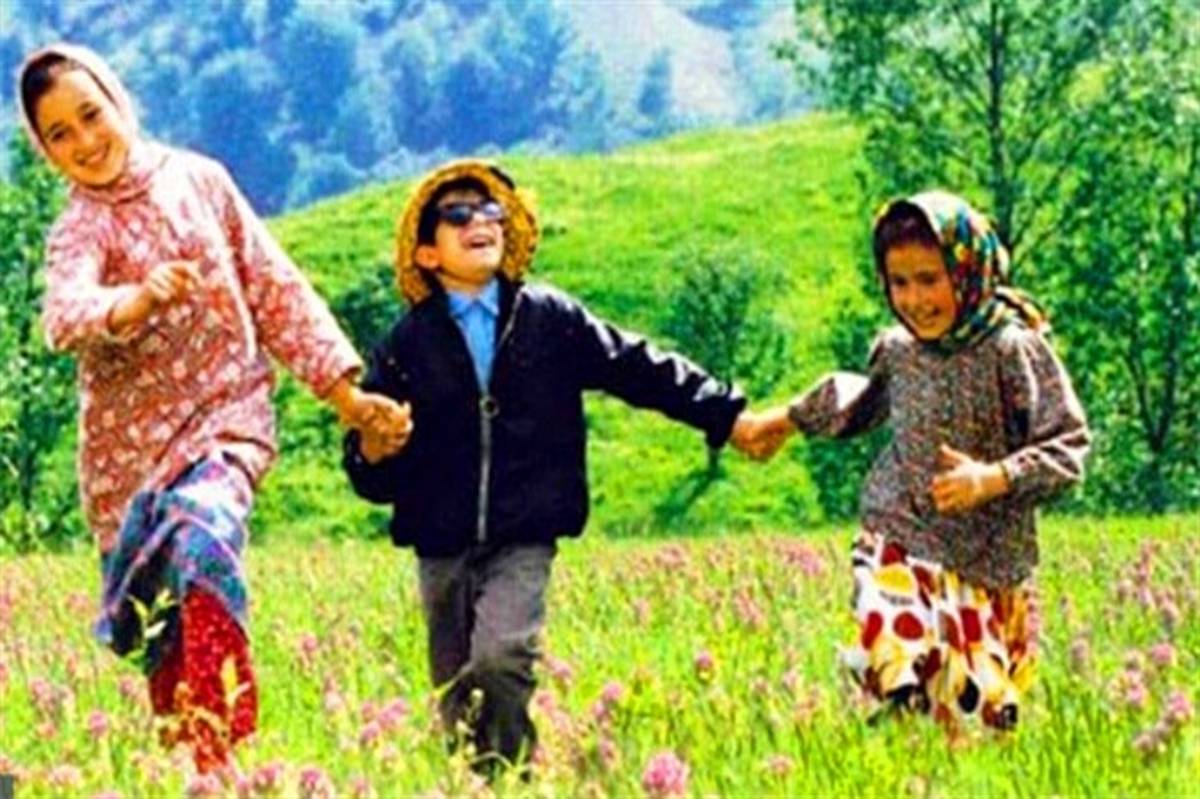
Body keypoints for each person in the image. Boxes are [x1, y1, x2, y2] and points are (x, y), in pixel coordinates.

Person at [16, 43, 407, 773]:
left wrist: (347, 396)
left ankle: (227, 731)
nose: (85, 142)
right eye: (60, 134)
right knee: (162, 641)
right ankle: (199, 776)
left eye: (92, 115)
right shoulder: (80, 226)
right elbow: (64, 315)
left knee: (204, 538)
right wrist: (133, 300)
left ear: (119, 102)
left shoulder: (201, 180)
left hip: (226, 421)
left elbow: (275, 290)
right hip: (128, 464)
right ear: (46, 150)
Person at [343, 159, 766, 773]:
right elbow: (369, 464)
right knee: (457, 693)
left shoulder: (550, 319)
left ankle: (514, 771)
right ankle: (485, 782)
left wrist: (727, 416)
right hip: (440, 545)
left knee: (502, 658)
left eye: (490, 211)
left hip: (524, 535)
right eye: (457, 215)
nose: (478, 221)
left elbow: (638, 367)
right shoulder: (405, 344)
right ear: (428, 254)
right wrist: (374, 450)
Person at [743, 190, 1090, 731]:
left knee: (974, 716)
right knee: (889, 615)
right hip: (901, 529)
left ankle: (926, 722)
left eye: (930, 279)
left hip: (986, 556)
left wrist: (993, 477)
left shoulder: (1011, 348)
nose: (914, 299)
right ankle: (899, 694)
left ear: (968, 272)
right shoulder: (898, 350)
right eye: (899, 282)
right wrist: (784, 420)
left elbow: (1068, 445)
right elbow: (857, 401)